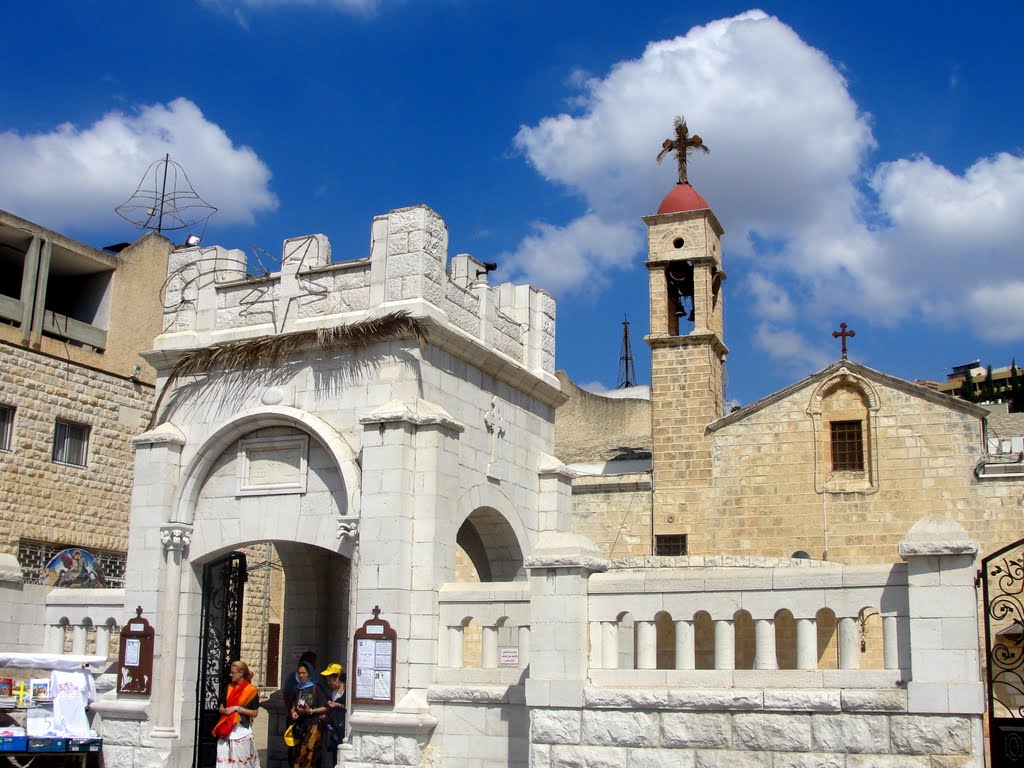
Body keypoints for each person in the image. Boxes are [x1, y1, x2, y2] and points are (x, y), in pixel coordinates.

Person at [213, 660, 260, 768]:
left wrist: (237, 709)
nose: (230, 675)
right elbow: (221, 705)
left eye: (233, 672)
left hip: (241, 730)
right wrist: (222, 709)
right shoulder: (229, 687)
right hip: (226, 729)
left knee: (242, 763)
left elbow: (254, 712)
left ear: (241, 673)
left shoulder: (251, 690)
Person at [287, 660, 327, 768]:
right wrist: (293, 712)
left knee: (310, 754)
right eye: (299, 673)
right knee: (298, 754)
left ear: (309, 673)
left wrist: (311, 711)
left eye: (304, 673)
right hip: (300, 726)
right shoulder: (297, 688)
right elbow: (293, 705)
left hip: (313, 725)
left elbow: (325, 707)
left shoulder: (316, 688)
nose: (301, 675)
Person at [319, 663, 346, 767]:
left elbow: (349, 708)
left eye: (331, 679)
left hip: (343, 730)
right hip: (334, 730)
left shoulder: (348, 691)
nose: (329, 682)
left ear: (338, 677)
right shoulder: (333, 692)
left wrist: (337, 705)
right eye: (327, 680)